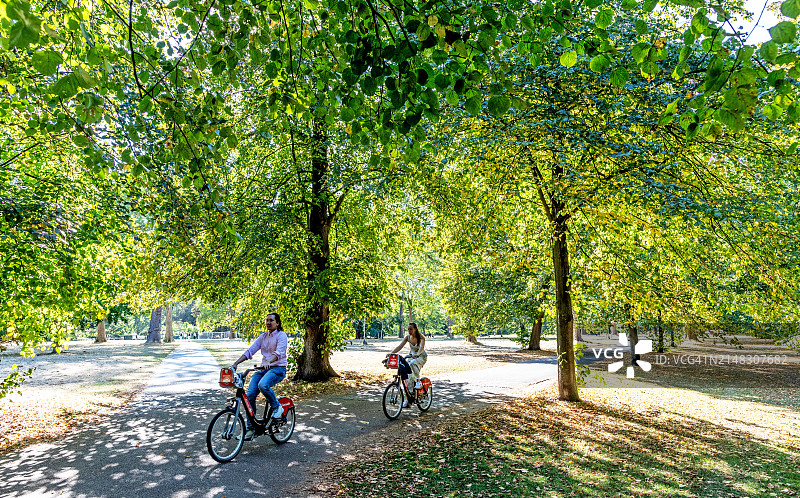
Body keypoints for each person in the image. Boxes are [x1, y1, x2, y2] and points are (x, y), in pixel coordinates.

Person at [231, 312, 287, 440]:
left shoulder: (281, 335)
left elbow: (280, 352)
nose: (268, 322)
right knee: (249, 395)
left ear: (277, 323)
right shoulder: (263, 337)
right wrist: (236, 363)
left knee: (263, 385)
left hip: (278, 368)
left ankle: (277, 407)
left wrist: (269, 361)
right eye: (267, 320)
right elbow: (250, 351)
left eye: (271, 320)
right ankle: (251, 429)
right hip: (263, 369)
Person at [389, 322, 427, 406]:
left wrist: (417, 354)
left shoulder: (421, 338)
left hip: (421, 356)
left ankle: (418, 382)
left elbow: (421, 348)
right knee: (407, 376)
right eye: (408, 329)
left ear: (415, 329)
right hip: (411, 356)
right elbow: (400, 346)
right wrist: (391, 354)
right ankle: (408, 398)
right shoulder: (408, 337)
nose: (409, 331)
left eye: (411, 329)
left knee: (413, 364)